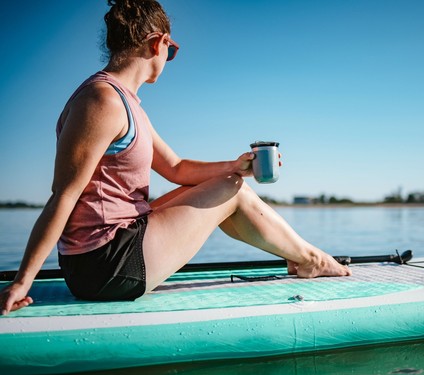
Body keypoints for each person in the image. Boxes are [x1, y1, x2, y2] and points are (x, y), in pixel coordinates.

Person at [0, 0, 350, 316]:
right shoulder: (101, 102)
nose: (170, 58)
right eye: (173, 49)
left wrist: (236, 166)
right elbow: (64, 194)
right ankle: (311, 260)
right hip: (106, 265)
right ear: (158, 43)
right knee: (232, 190)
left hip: (114, 249)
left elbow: (177, 168)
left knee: (230, 184)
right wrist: (22, 281)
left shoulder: (124, 103)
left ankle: (303, 257)